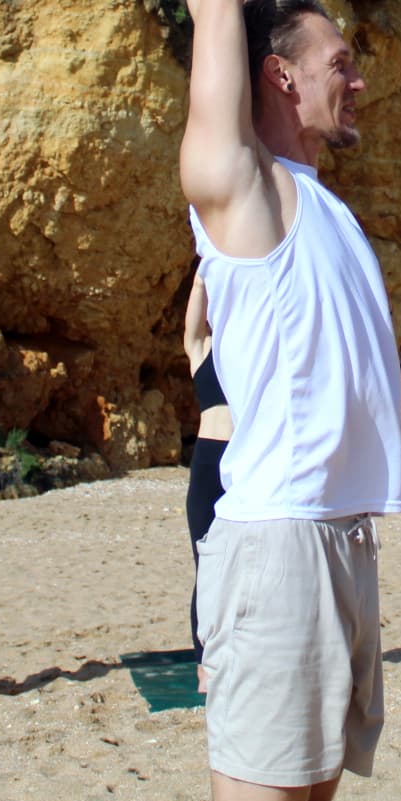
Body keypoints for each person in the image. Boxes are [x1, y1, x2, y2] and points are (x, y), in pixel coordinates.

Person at [143, 0, 401, 801]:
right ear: (282, 83)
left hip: (341, 536)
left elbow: (275, 5)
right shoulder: (238, 187)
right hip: (278, 539)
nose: (357, 77)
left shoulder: (308, 191)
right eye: (339, 64)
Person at [182, 268, 231, 687]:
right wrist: (207, 269)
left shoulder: (251, 349)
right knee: (206, 562)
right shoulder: (202, 348)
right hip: (208, 460)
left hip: (245, 461)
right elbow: (195, 314)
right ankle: (204, 662)